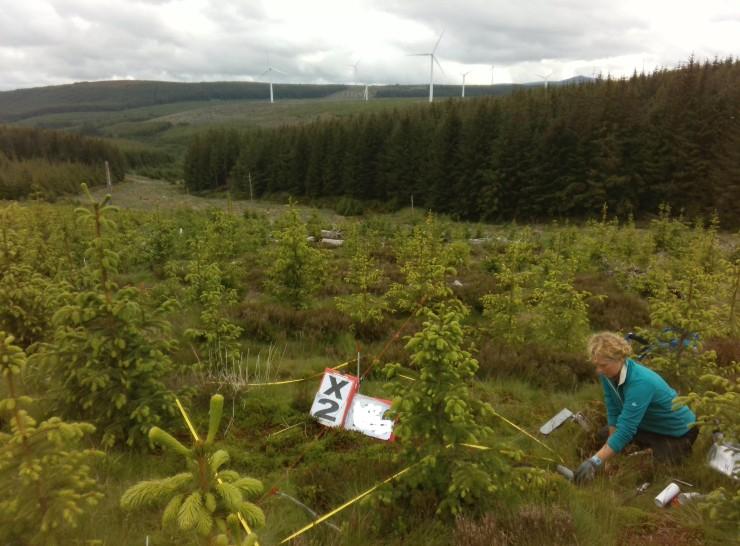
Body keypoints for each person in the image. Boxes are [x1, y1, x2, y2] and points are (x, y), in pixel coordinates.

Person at [574, 332, 698, 485]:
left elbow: (626, 430)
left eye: (603, 365)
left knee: (649, 473)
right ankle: (644, 448)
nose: (599, 370)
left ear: (619, 359)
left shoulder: (640, 382)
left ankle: (676, 451)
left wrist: (594, 461)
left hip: (677, 432)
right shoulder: (607, 375)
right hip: (646, 424)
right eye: (596, 365)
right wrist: (608, 457)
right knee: (602, 437)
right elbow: (613, 411)